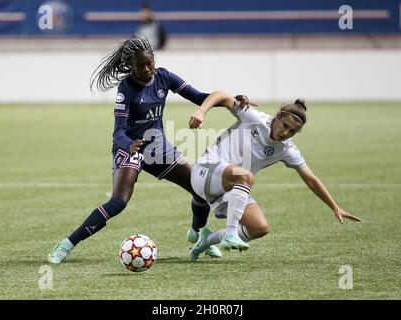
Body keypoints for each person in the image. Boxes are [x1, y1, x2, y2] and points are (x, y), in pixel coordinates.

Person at [47, 38, 250, 264]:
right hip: (131, 147)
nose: (147, 69)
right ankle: (66, 245)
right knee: (118, 202)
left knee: (200, 188)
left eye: (150, 63)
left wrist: (233, 100)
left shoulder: (164, 77)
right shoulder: (126, 89)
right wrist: (129, 146)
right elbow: (118, 133)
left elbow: (200, 97)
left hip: (157, 146)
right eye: (141, 66)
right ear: (131, 67)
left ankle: (197, 233)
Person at [188, 91, 362, 261]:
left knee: (259, 228)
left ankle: (206, 241)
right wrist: (201, 111)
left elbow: (311, 179)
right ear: (278, 116)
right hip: (205, 171)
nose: (286, 133)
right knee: (246, 176)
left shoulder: (286, 149)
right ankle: (231, 233)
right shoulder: (254, 118)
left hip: (228, 187)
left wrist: (335, 207)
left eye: (292, 131)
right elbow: (221, 95)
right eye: (285, 125)